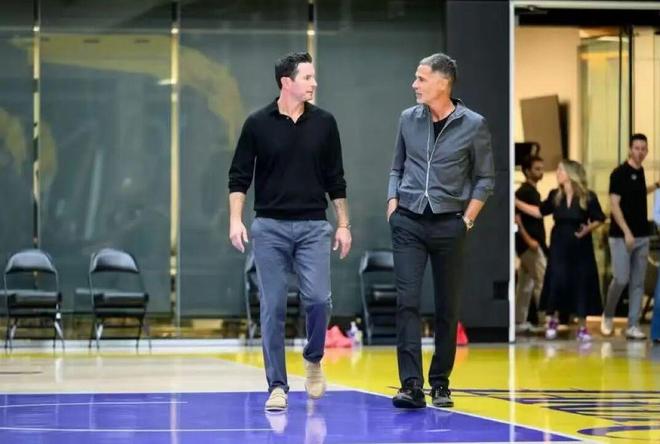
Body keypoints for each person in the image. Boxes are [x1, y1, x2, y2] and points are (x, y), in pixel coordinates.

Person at [227, 52, 352, 412]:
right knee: (273, 307)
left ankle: (313, 359)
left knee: (318, 300)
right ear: (287, 82)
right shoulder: (256, 124)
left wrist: (343, 225)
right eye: (308, 77)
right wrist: (236, 220)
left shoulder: (325, 123)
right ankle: (277, 386)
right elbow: (238, 178)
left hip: (314, 227)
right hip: (269, 228)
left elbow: (336, 179)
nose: (314, 83)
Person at [386, 53, 495, 409]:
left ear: (443, 83)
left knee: (448, 306)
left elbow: (485, 179)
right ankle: (411, 385)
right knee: (407, 302)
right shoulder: (408, 119)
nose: (414, 85)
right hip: (408, 221)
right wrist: (392, 202)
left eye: (421, 78)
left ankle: (441, 383)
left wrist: (467, 220)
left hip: (450, 224)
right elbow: (396, 167)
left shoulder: (473, 125)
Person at [516, 160, 604, 341]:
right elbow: (539, 211)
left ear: (570, 173)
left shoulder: (588, 196)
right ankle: (552, 321)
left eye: (560, 170)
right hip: (559, 245)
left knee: (580, 283)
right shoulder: (555, 195)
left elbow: (599, 218)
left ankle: (582, 327)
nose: (557, 173)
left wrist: (587, 229)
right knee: (556, 280)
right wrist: (516, 202)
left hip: (580, 246)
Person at [601, 134, 657, 340]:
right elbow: (614, 205)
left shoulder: (640, 172)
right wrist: (626, 231)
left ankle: (633, 325)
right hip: (621, 237)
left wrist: (656, 185)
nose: (640, 152)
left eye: (643, 149)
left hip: (642, 236)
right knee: (621, 278)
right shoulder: (619, 174)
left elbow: (638, 193)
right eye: (636, 148)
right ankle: (608, 315)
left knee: (638, 283)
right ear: (629, 149)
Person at [515, 155, 547, 334]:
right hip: (530, 246)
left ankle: (519, 321)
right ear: (527, 171)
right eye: (537, 169)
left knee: (525, 285)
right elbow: (517, 220)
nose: (541, 172)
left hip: (528, 245)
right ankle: (544, 320)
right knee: (542, 281)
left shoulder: (530, 192)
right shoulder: (525, 193)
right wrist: (529, 240)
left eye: (542, 168)